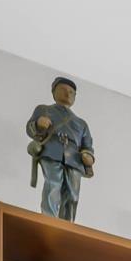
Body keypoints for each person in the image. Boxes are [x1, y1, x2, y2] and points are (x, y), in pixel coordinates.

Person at [26, 76, 94, 221]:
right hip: (52, 151)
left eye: (71, 92)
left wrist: (88, 156)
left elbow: (87, 146)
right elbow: (30, 129)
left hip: (74, 159)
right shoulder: (43, 109)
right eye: (63, 90)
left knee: (72, 195)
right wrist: (38, 124)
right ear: (54, 92)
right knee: (53, 185)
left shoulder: (81, 124)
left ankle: (67, 224)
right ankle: (49, 219)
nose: (67, 94)